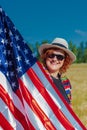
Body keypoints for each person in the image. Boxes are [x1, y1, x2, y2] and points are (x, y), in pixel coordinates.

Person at [38, 37, 76, 105]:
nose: (55, 59)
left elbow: (69, 107)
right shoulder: (38, 77)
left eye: (60, 57)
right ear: (45, 56)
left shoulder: (66, 82)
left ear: (64, 61)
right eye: (51, 55)